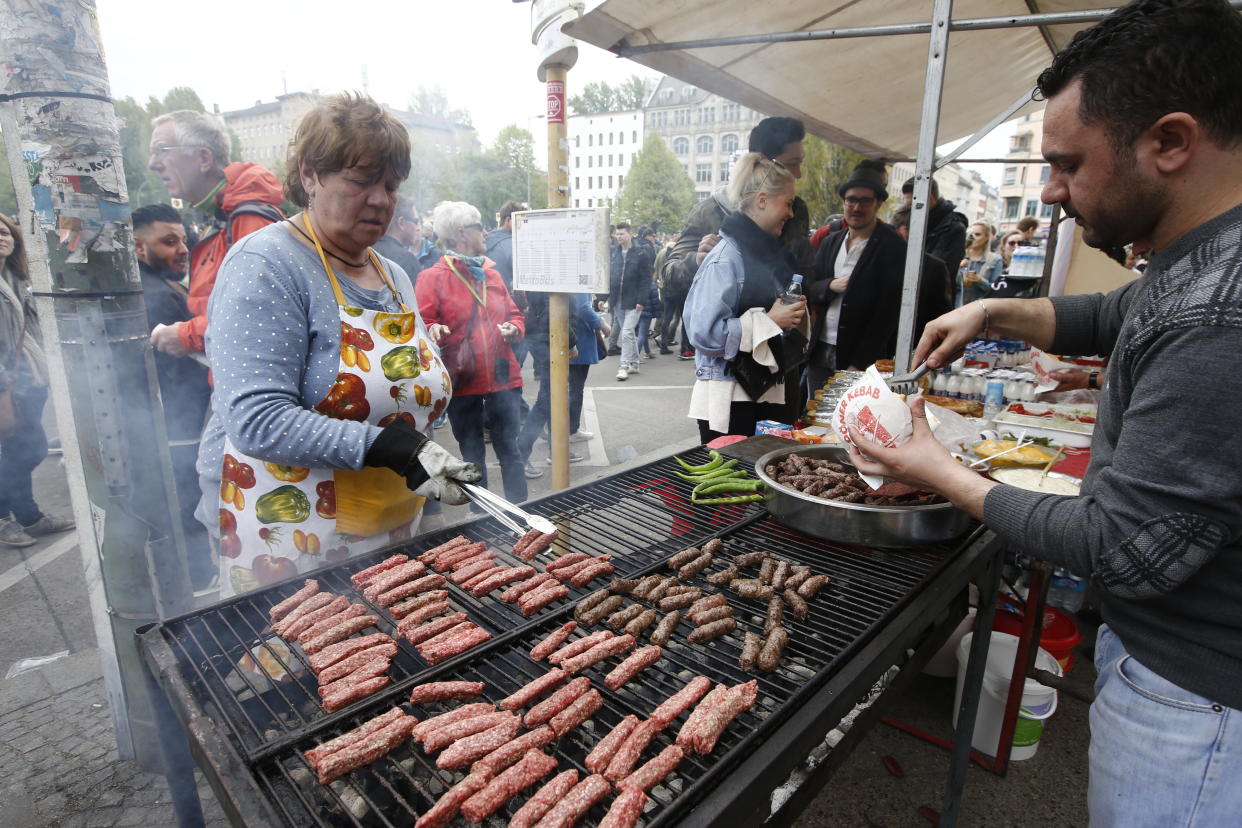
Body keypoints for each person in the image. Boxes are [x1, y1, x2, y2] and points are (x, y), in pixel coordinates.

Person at [847, 2, 1242, 823]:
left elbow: (1120, 550)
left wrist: (933, 467)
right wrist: (992, 311)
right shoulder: (1202, 262)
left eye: (1067, 164)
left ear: (1170, 142)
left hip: (1197, 703)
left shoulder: (1218, 316)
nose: (1053, 191)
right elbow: (1113, 318)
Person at [198, 94, 479, 597]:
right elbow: (255, 418)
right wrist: (385, 445)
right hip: (295, 544)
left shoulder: (392, 274)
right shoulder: (266, 263)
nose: (380, 199)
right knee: (309, 670)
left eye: (390, 185)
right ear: (310, 175)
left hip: (391, 527)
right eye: (360, 180)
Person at [662, 117, 813, 361]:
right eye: (791, 164)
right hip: (731, 369)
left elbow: (804, 272)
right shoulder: (710, 211)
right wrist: (698, 261)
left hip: (778, 357)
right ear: (763, 161)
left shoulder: (795, 210)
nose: (798, 173)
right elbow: (669, 276)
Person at [683, 153, 807, 441]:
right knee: (734, 484)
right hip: (730, 398)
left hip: (762, 392)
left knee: (756, 482)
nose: (791, 213)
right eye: (787, 203)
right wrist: (770, 320)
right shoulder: (726, 258)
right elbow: (704, 333)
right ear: (762, 200)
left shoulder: (761, 253)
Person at [415, 201, 528, 508]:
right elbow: (420, 324)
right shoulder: (432, 277)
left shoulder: (490, 272)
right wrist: (432, 328)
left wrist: (514, 328)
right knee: (473, 455)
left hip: (504, 377)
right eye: (480, 227)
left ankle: (523, 512)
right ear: (463, 232)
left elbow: (516, 314)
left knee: (510, 450)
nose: (486, 233)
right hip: (464, 381)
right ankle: (485, 518)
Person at [147, 110, 283, 358]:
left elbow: (258, 315)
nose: (153, 164)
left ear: (203, 158)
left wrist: (185, 335)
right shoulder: (225, 217)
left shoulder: (248, 219)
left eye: (161, 150)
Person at [131, 204, 213, 587]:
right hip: (180, 424)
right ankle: (198, 584)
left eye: (182, 239)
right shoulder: (157, 297)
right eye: (169, 241)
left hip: (180, 419)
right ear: (137, 247)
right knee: (186, 509)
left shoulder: (164, 285)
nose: (182, 249)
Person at [0, 215, 75, 548]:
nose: (1, 238)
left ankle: (29, 517)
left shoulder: (17, 278)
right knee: (23, 452)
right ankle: (7, 520)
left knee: (22, 451)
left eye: (4, 232)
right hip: (7, 383)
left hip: (30, 378)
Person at [805, 161, 906, 392]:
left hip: (859, 355)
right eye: (851, 200)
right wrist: (830, 285)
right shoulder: (832, 241)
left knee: (851, 419)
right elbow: (811, 287)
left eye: (865, 201)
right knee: (814, 415)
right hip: (821, 346)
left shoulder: (892, 246)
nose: (856, 207)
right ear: (844, 202)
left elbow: (888, 313)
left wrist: (860, 362)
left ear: (878, 203)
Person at [901, 176, 967, 307]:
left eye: (911, 206)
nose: (909, 210)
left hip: (932, 305)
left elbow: (940, 273)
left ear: (929, 199)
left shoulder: (953, 228)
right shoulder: (909, 221)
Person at [608, 221, 653, 381]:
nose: (619, 236)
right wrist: (603, 298)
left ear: (630, 233)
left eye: (622, 233)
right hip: (618, 301)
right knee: (630, 334)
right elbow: (609, 276)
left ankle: (624, 365)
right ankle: (634, 363)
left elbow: (646, 280)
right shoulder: (613, 252)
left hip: (634, 301)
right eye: (617, 234)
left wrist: (642, 300)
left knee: (627, 332)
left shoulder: (641, 253)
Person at [569, 293, 607, 443]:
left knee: (567, 389)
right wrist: (601, 323)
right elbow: (583, 308)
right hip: (578, 339)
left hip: (569, 336)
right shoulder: (578, 273)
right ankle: (571, 429)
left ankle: (556, 428)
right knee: (575, 389)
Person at [372, 195, 424, 290]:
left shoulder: (366, 250)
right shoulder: (408, 260)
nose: (417, 228)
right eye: (416, 221)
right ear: (401, 223)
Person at [957, 221, 1004, 306]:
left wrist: (979, 280)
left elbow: (996, 290)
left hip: (980, 309)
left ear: (987, 237)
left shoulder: (995, 259)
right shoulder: (959, 255)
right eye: (970, 234)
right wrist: (958, 268)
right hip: (957, 308)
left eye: (977, 234)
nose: (972, 237)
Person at [485, 200, 521, 293]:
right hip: (505, 300)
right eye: (519, 221)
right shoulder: (513, 244)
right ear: (508, 220)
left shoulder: (485, 240)